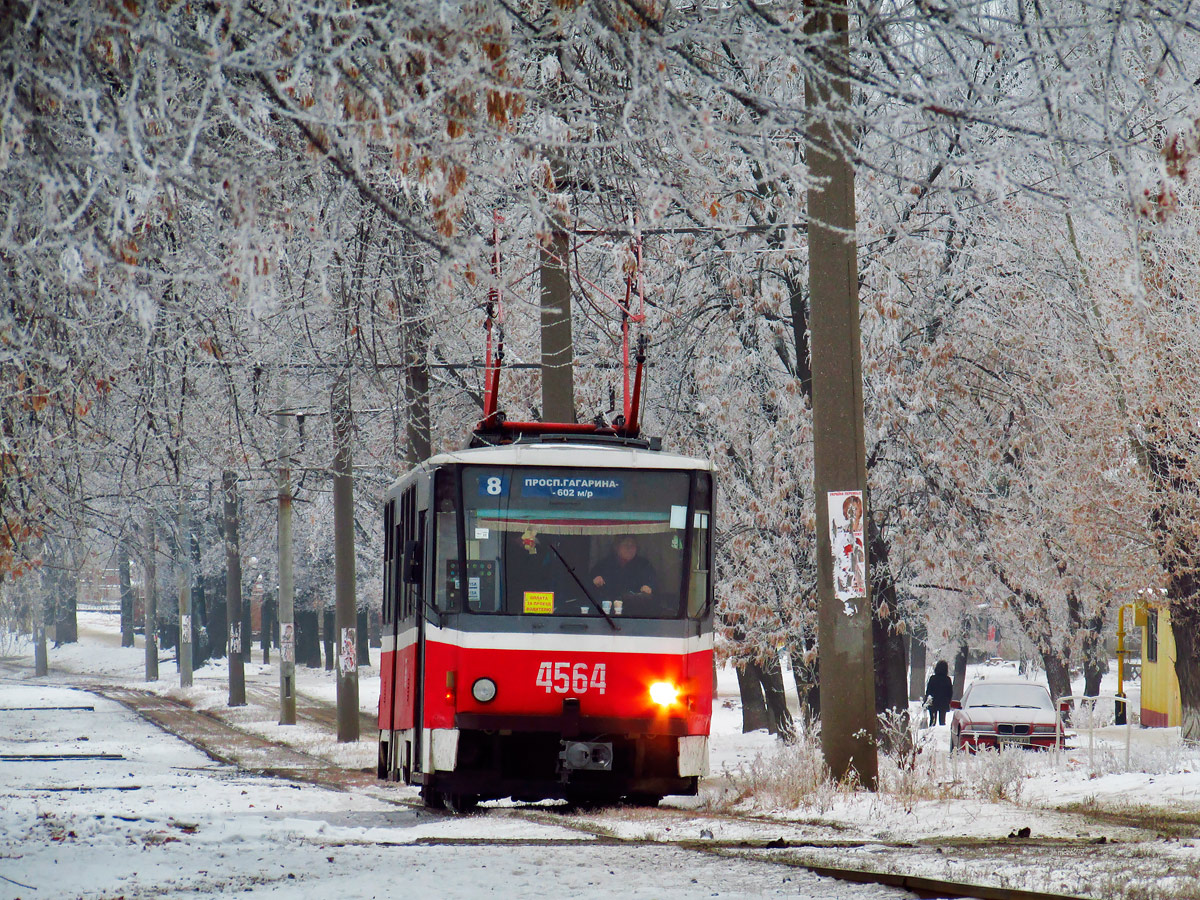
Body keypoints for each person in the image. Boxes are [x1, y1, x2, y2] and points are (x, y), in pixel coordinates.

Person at [589, 535, 657, 602]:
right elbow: (590, 582)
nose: (629, 548)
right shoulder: (604, 564)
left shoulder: (644, 565)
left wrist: (648, 588)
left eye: (632, 545)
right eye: (626, 545)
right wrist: (596, 580)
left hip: (634, 607)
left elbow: (653, 583)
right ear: (616, 547)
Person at [925, 659, 954, 726]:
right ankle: (941, 731)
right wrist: (948, 701)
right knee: (942, 721)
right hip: (943, 703)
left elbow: (928, 690)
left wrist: (927, 700)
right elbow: (950, 692)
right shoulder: (947, 679)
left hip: (933, 702)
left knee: (932, 720)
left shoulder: (933, 678)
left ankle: (931, 732)